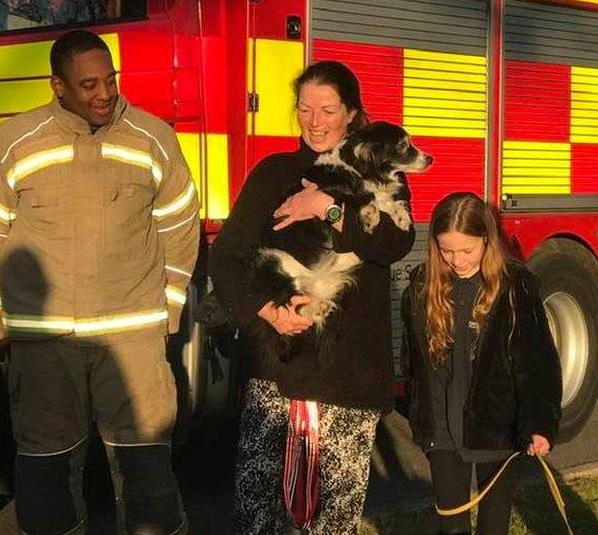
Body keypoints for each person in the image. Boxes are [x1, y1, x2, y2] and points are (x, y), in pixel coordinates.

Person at [0, 30, 197, 534]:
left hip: (131, 342)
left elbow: (179, 221)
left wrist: (168, 310)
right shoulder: (14, 142)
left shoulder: (153, 137)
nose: (104, 94)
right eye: (88, 85)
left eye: (110, 80)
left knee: (148, 478)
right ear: (58, 86)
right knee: (45, 480)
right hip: (46, 346)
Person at [208, 60, 415, 534]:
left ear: (352, 114)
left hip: (350, 373)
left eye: (327, 109)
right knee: (257, 509)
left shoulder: (381, 176)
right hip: (275, 367)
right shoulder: (273, 172)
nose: (315, 121)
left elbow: (392, 243)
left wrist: (328, 206)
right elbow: (227, 258)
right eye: (305, 109)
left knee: (332, 518)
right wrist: (268, 311)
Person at [401, 192, 562, 535]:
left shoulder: (516, 285)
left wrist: (539, 421)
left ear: (487, 241)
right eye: (447, 251)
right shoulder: (419, 286)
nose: (457, 260)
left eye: (467, 251)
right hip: (442, 432)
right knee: (452, 526)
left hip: (496, 428)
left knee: (493, 525)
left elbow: (538, 363)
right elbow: (413, 361)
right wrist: (417, 411)